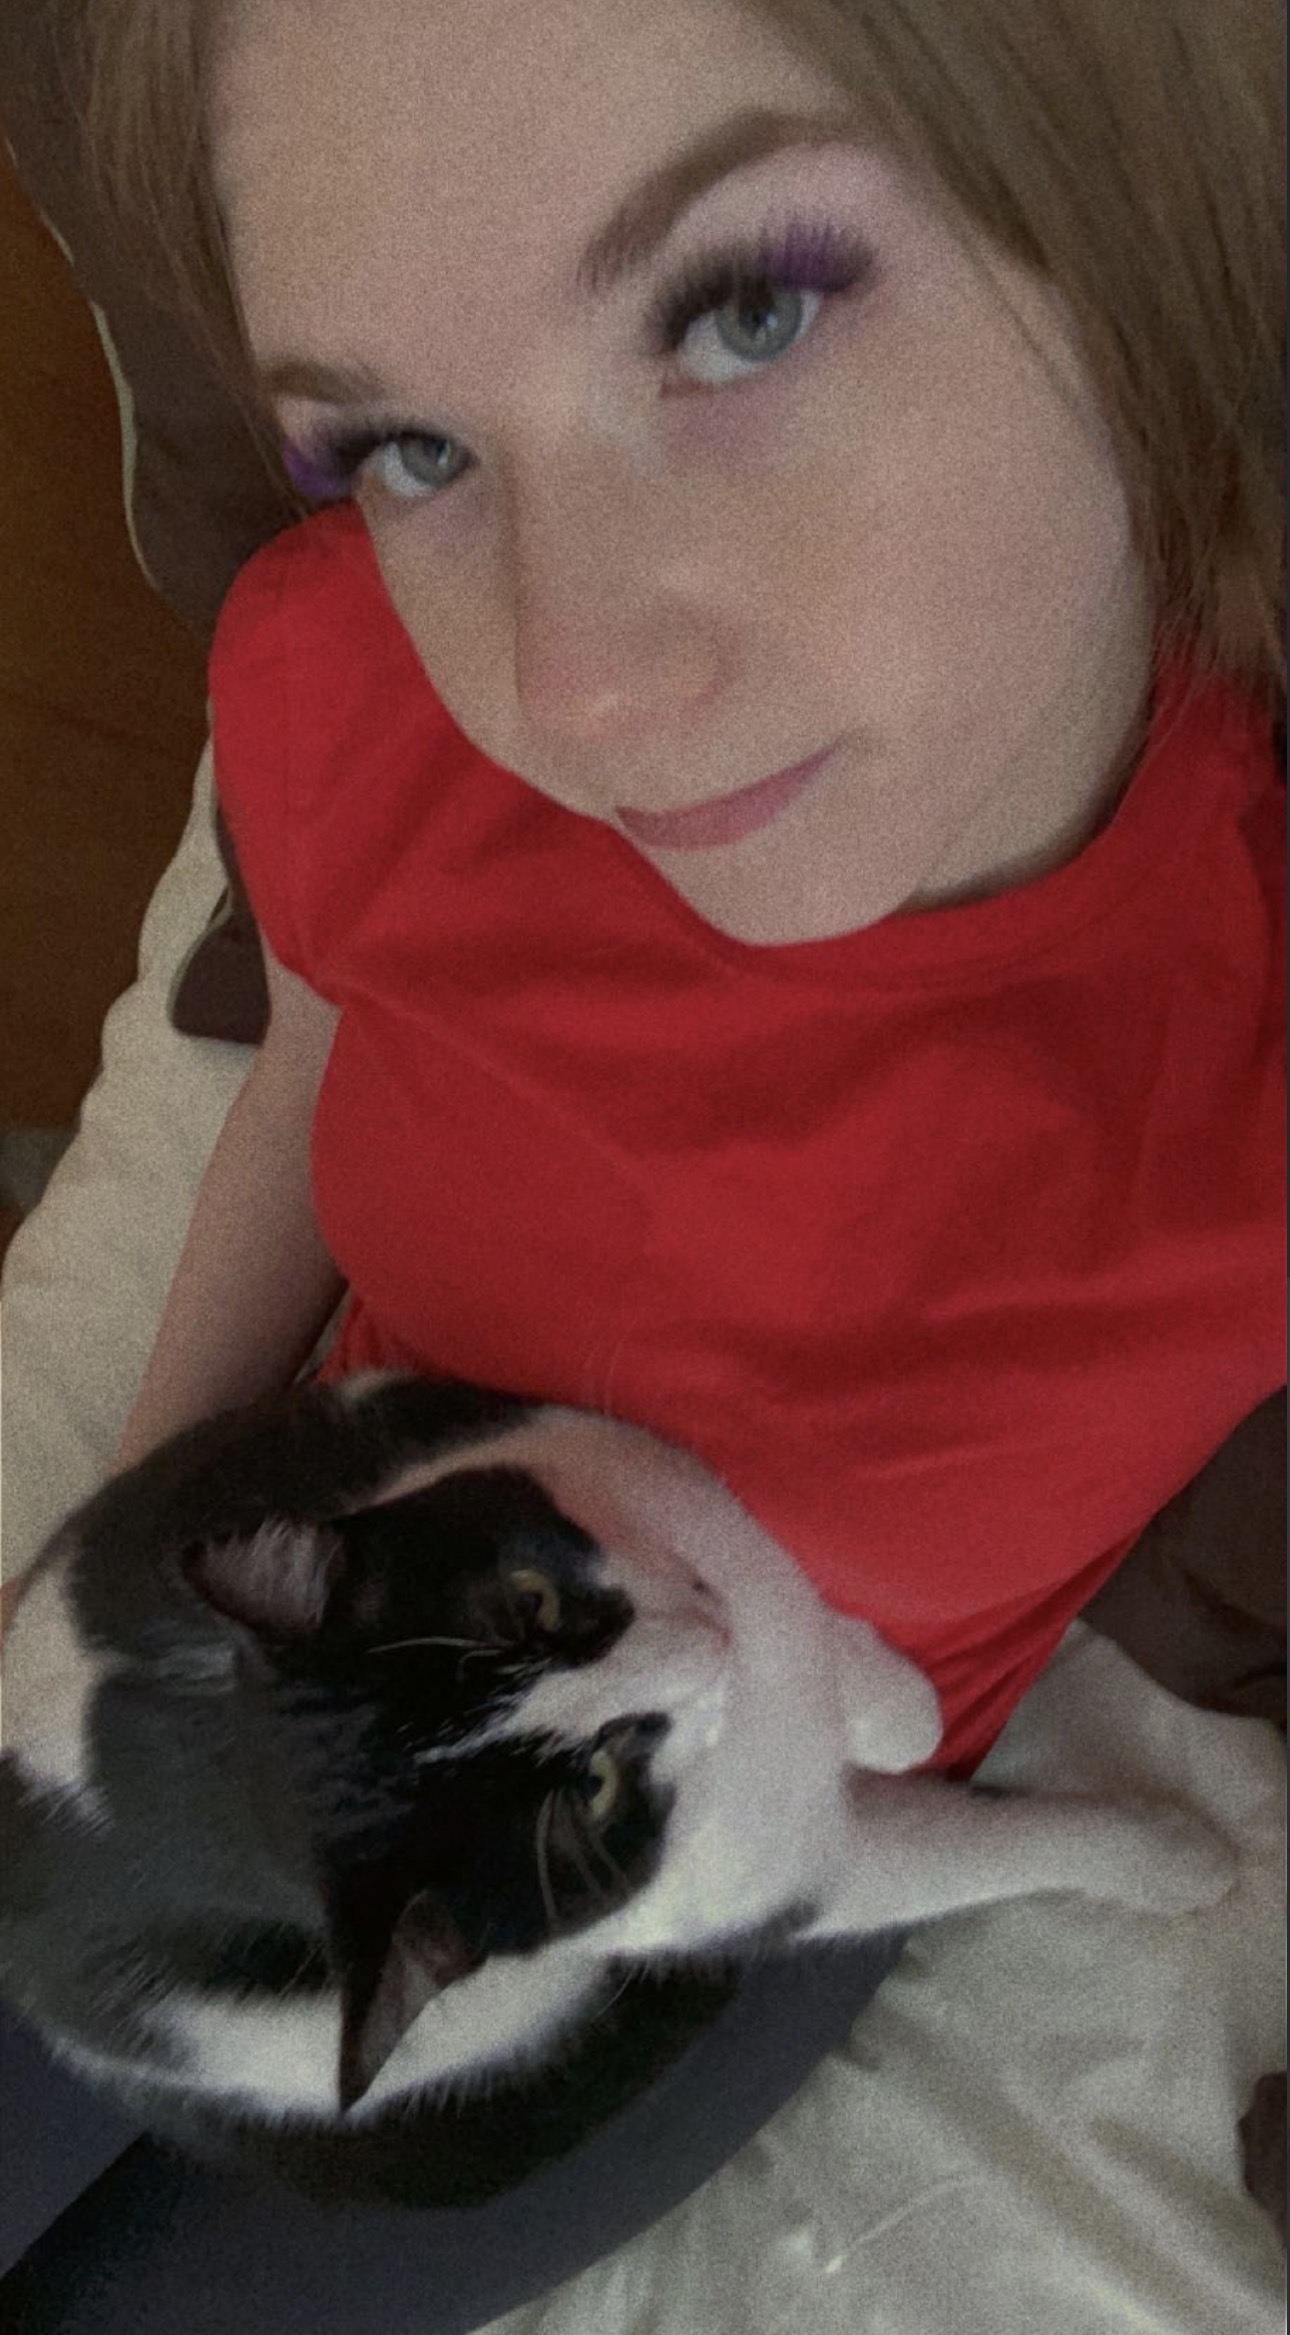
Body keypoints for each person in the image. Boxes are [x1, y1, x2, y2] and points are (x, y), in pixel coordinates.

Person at [2, 0, 1284, 2325]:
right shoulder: (362, 686)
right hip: (342, 1682)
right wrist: (126, 1545)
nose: (567, 691)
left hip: (733, 1862)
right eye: (405, 445)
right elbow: (310, 1069)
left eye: (742, 309)